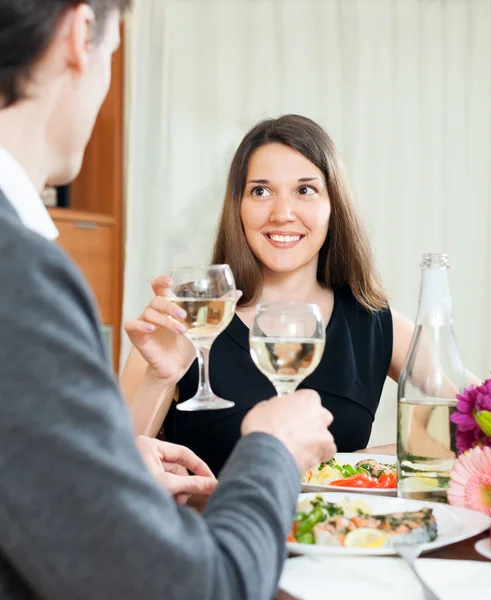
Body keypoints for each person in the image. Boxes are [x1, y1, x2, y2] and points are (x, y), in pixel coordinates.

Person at [0, 2, 336, 599]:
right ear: (81, 35)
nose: (282, 211)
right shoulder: (20, 275)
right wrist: (272, 452)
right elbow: (196, 589)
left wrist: (113, 468)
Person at [121, 114, 418, 476]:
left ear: (333, 206)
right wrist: (160, 378)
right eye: (261, 191)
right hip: (215, 531)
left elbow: (477, 423)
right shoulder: (185, 319)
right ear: (238, 207)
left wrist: (356, 463)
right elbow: (106, 475)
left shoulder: (373, 321)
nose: (282, 214)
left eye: (305, 190)